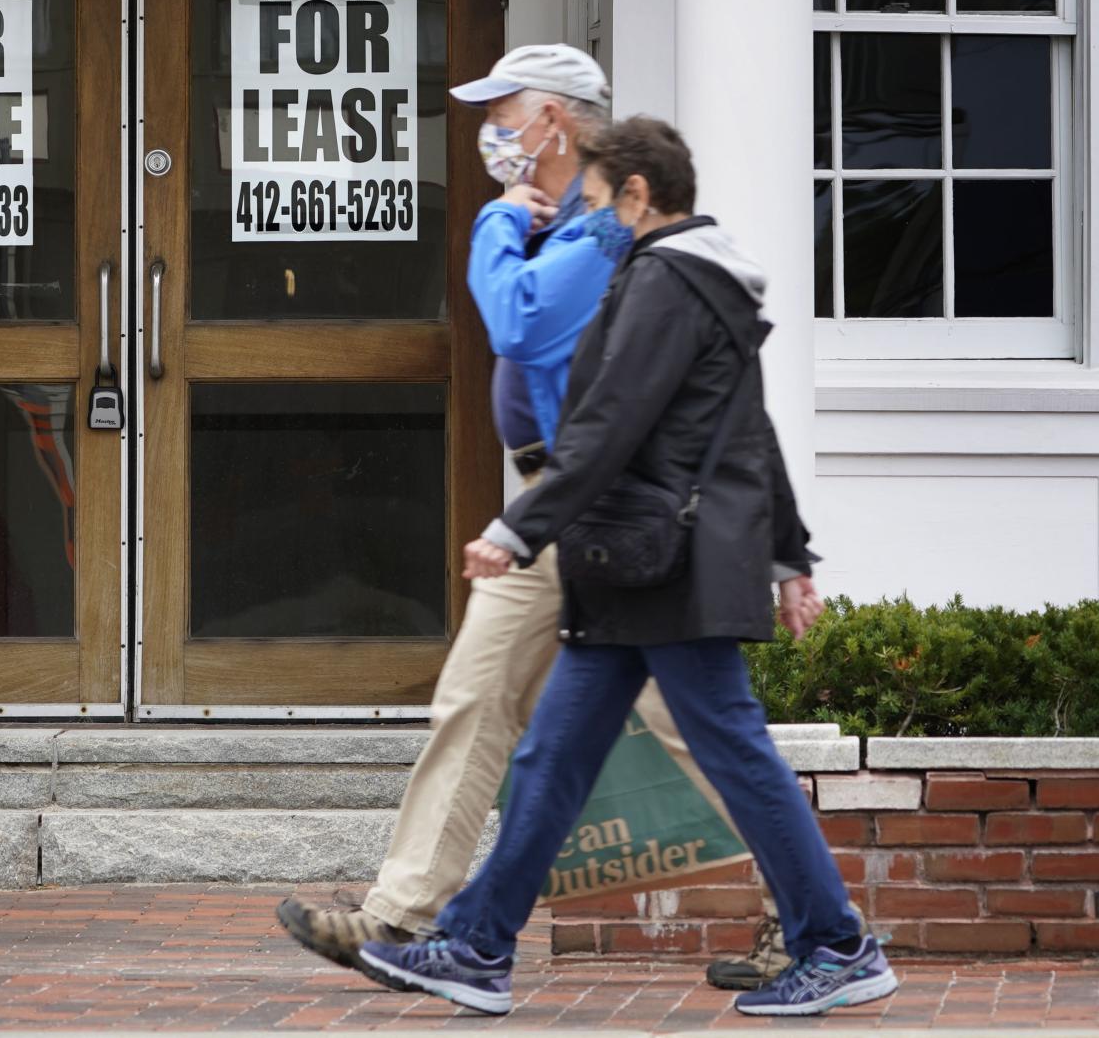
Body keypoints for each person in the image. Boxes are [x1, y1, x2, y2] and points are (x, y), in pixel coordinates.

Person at [276, 47, 796, 992]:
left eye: (505, 114)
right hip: (557, 505)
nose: (493, 134)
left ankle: (809, 919)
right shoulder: (573, 227)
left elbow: (518, 324)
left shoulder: (603, 230)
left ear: (558, 121)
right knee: (482, 698)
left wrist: (497, 218)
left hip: (596, 510)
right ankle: (404, 917)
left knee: (691, 728)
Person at [354, 117, 897, 1019]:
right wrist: (790, 555)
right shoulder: (705, 280)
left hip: (663, 565)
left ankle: (836, 942)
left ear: (639, 194)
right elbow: (750, 429)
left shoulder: (664, 278)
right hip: (641, 564)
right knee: (553, 758)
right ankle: (481, 944)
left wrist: (521, 527)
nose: (594, 218)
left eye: (601, 203)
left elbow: (610, 420)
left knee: (732, 755)